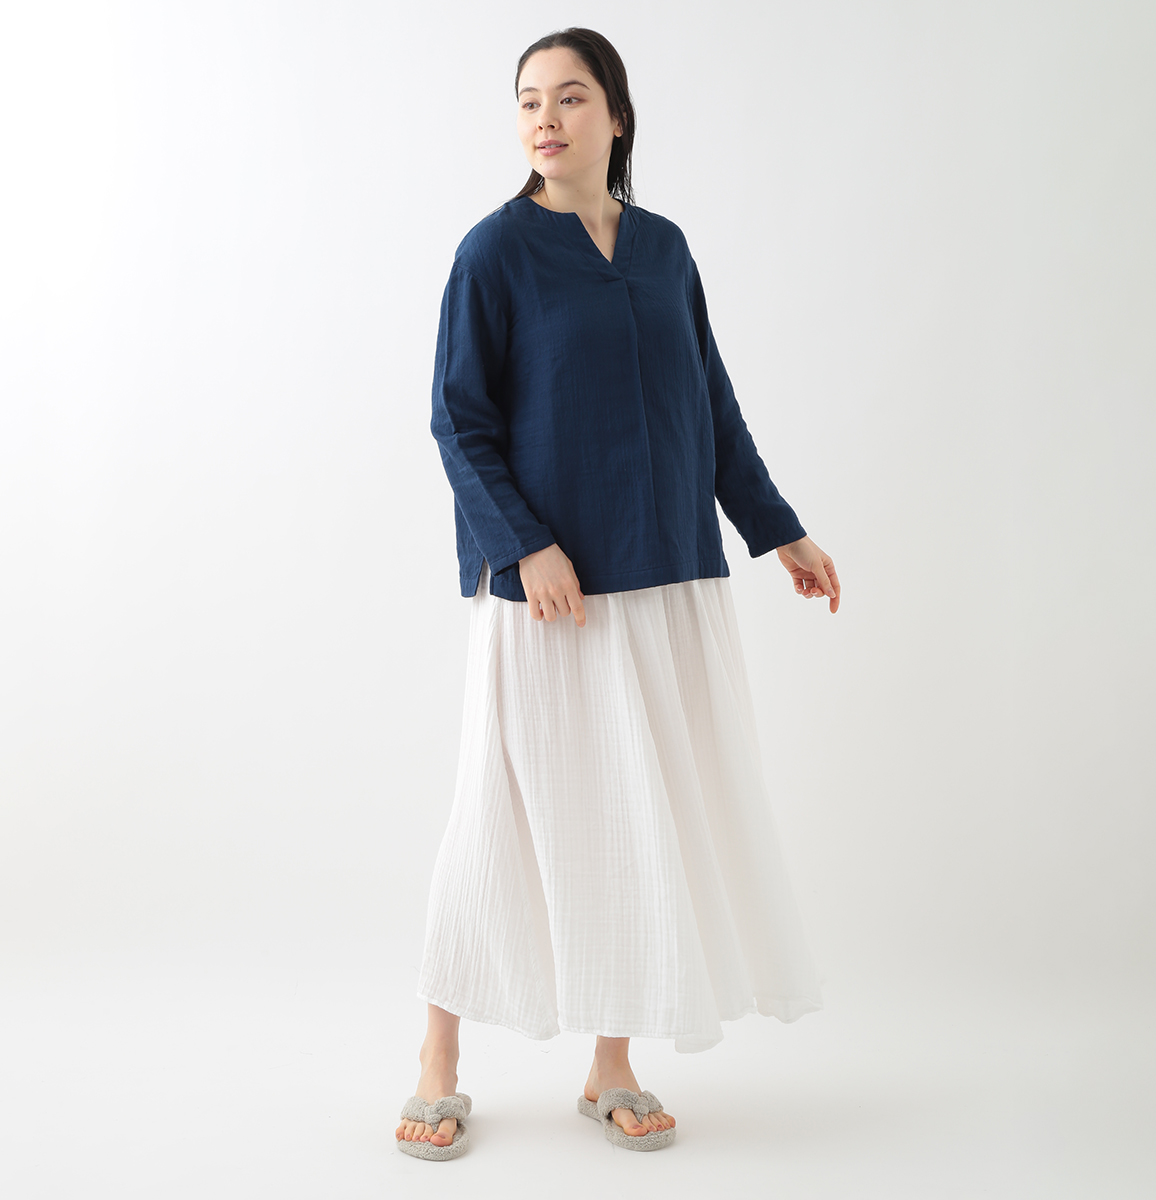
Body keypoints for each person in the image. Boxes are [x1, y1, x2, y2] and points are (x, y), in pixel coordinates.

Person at [396, 27, 840, 1159]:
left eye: (571, 97)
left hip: (665, 574)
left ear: (617, 116)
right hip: (551, 594)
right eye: (529, 101)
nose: (545, 119)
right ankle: (439, 1058)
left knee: (638, 821)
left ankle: (611, 1065)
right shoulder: (493, 253)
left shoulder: (664, 249)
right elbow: (457, 421)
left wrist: (779, 530)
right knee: (496, 816)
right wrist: (527, 547)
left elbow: (711, 404)